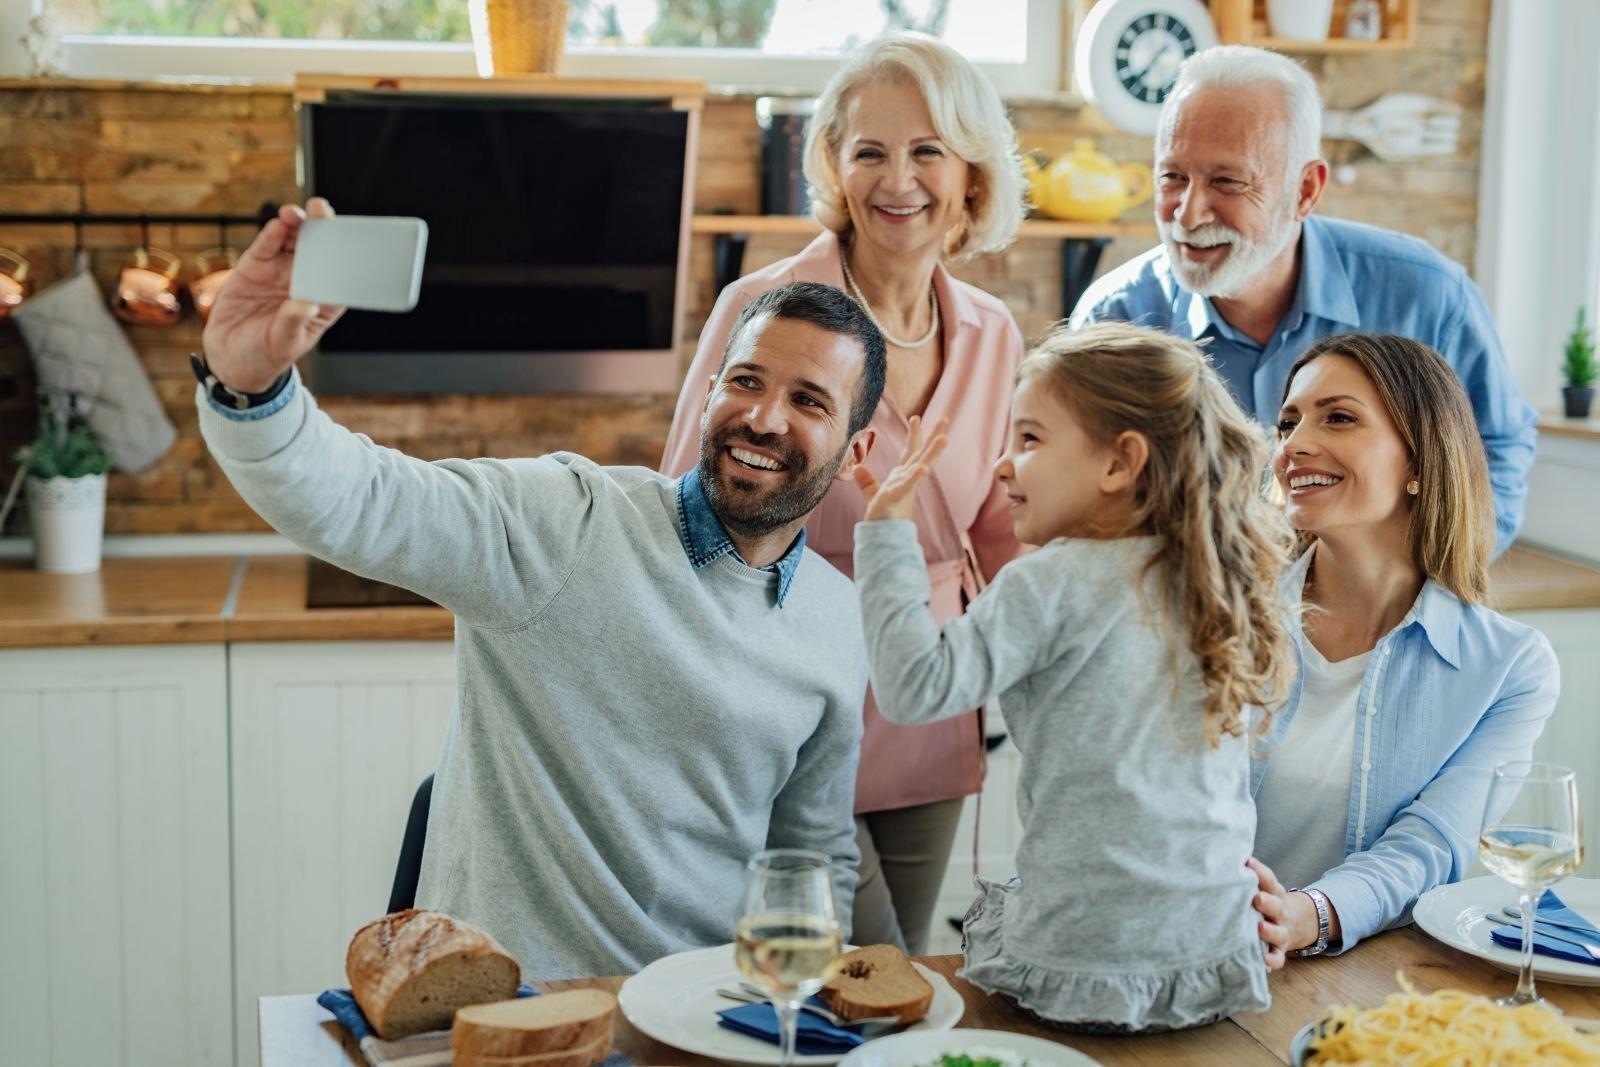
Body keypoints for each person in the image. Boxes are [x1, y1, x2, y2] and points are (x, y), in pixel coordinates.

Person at [194, 198, 889, 979]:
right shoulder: (565, 521)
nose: (763, 418)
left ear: (857, 447)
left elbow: (811, 853)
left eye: (808, 400)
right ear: (708, 393)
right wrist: (249, 387)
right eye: (746, 380)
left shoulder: (837, 619)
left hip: (704, 1017)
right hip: (509, 1010)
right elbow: (362, 499)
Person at [661, 32, 1030, 955]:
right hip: (783, 700)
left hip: (929, 705)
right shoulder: (768, 306)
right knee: (851, 973)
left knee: (898, 982)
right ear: (834, 165)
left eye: (926, 151)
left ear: (971, 173)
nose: (897, 180)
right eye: (870, 150)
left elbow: (1006, 529)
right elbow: (683, 507)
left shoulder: (993, 333)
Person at [851, 322, 1296, 1031]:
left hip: (1086, 959)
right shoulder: (1220, 579)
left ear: (1120, 462)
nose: (1003, 465)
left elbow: (914, 686)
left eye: (1028, 440)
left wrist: (886, 532)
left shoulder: (1048, 582)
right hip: (1209, 954)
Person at [1070, 45, 1537, 552]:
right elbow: (1078, 494)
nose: (1187, 215)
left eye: (1227, 181)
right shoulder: (1113, 319)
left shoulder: (1429, 296)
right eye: (1172, 177)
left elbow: (1495, 450)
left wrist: (1430, 579)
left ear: (1306, 190)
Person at [1250, 333, 1559, 960]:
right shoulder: (1220, 614)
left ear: (1420, 461)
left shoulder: (1509, 667)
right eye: (1288, 423)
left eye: (1338, 417)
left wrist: (1305, 914)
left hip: (1362, 973)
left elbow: (1431, 844)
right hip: (1180, 953)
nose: (1293, 446)